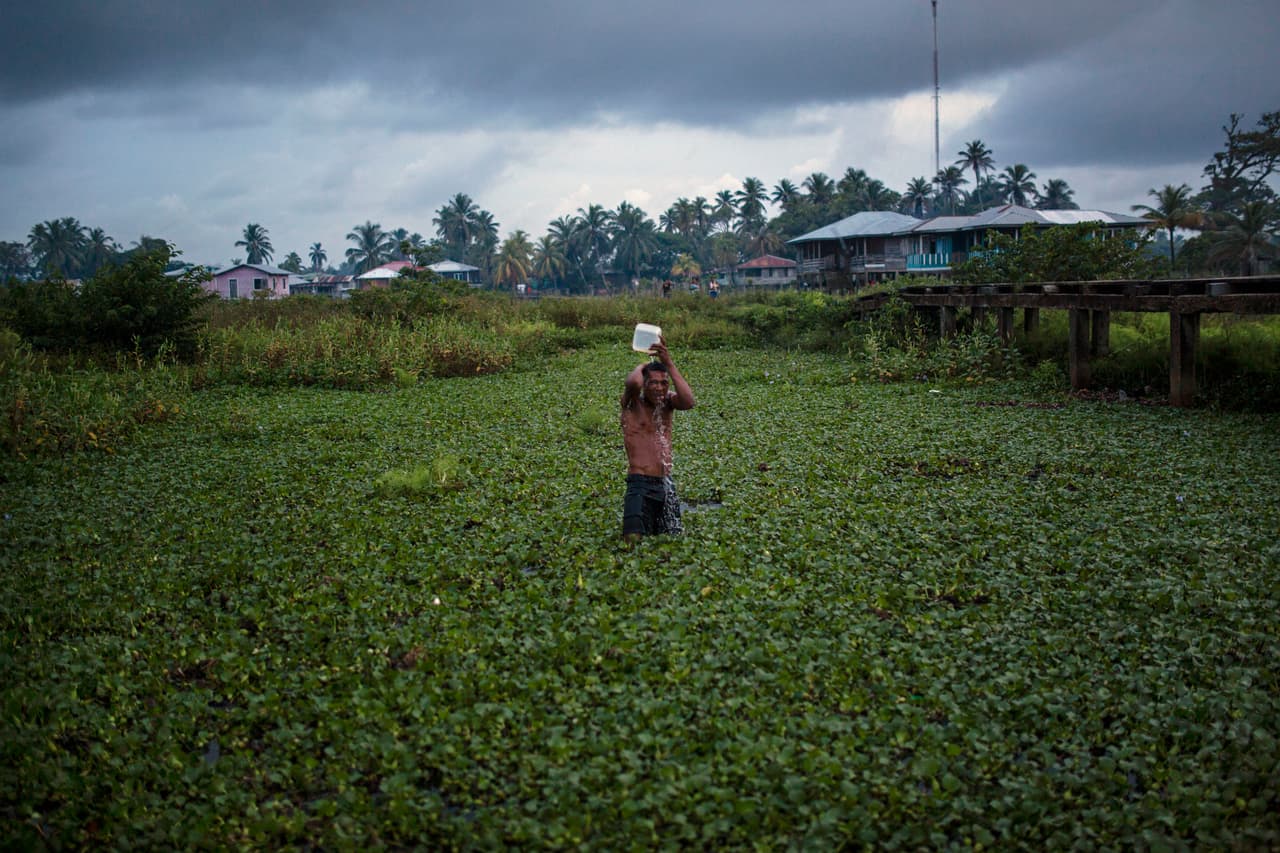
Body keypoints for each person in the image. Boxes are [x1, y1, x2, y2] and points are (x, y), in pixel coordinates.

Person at [620, 337, 695, 539]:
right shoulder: (632, 403)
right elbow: (633, 382)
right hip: (640, 483)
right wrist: (647, 362)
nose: (659, 388)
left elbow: (688, 401)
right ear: (645, 384)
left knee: (672, 539)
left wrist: (668, 362)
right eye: (653, 382)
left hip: (665, 483)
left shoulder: (667, 402)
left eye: (664, 383)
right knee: (632, 540)